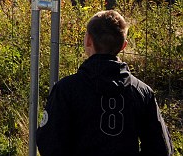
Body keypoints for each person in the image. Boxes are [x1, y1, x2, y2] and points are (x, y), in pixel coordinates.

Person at [36, 9, 173, 155]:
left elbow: (49, 143)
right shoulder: (142, 92)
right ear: (124, 46)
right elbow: (162, 148)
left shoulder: (66, 89)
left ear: (88, 40)